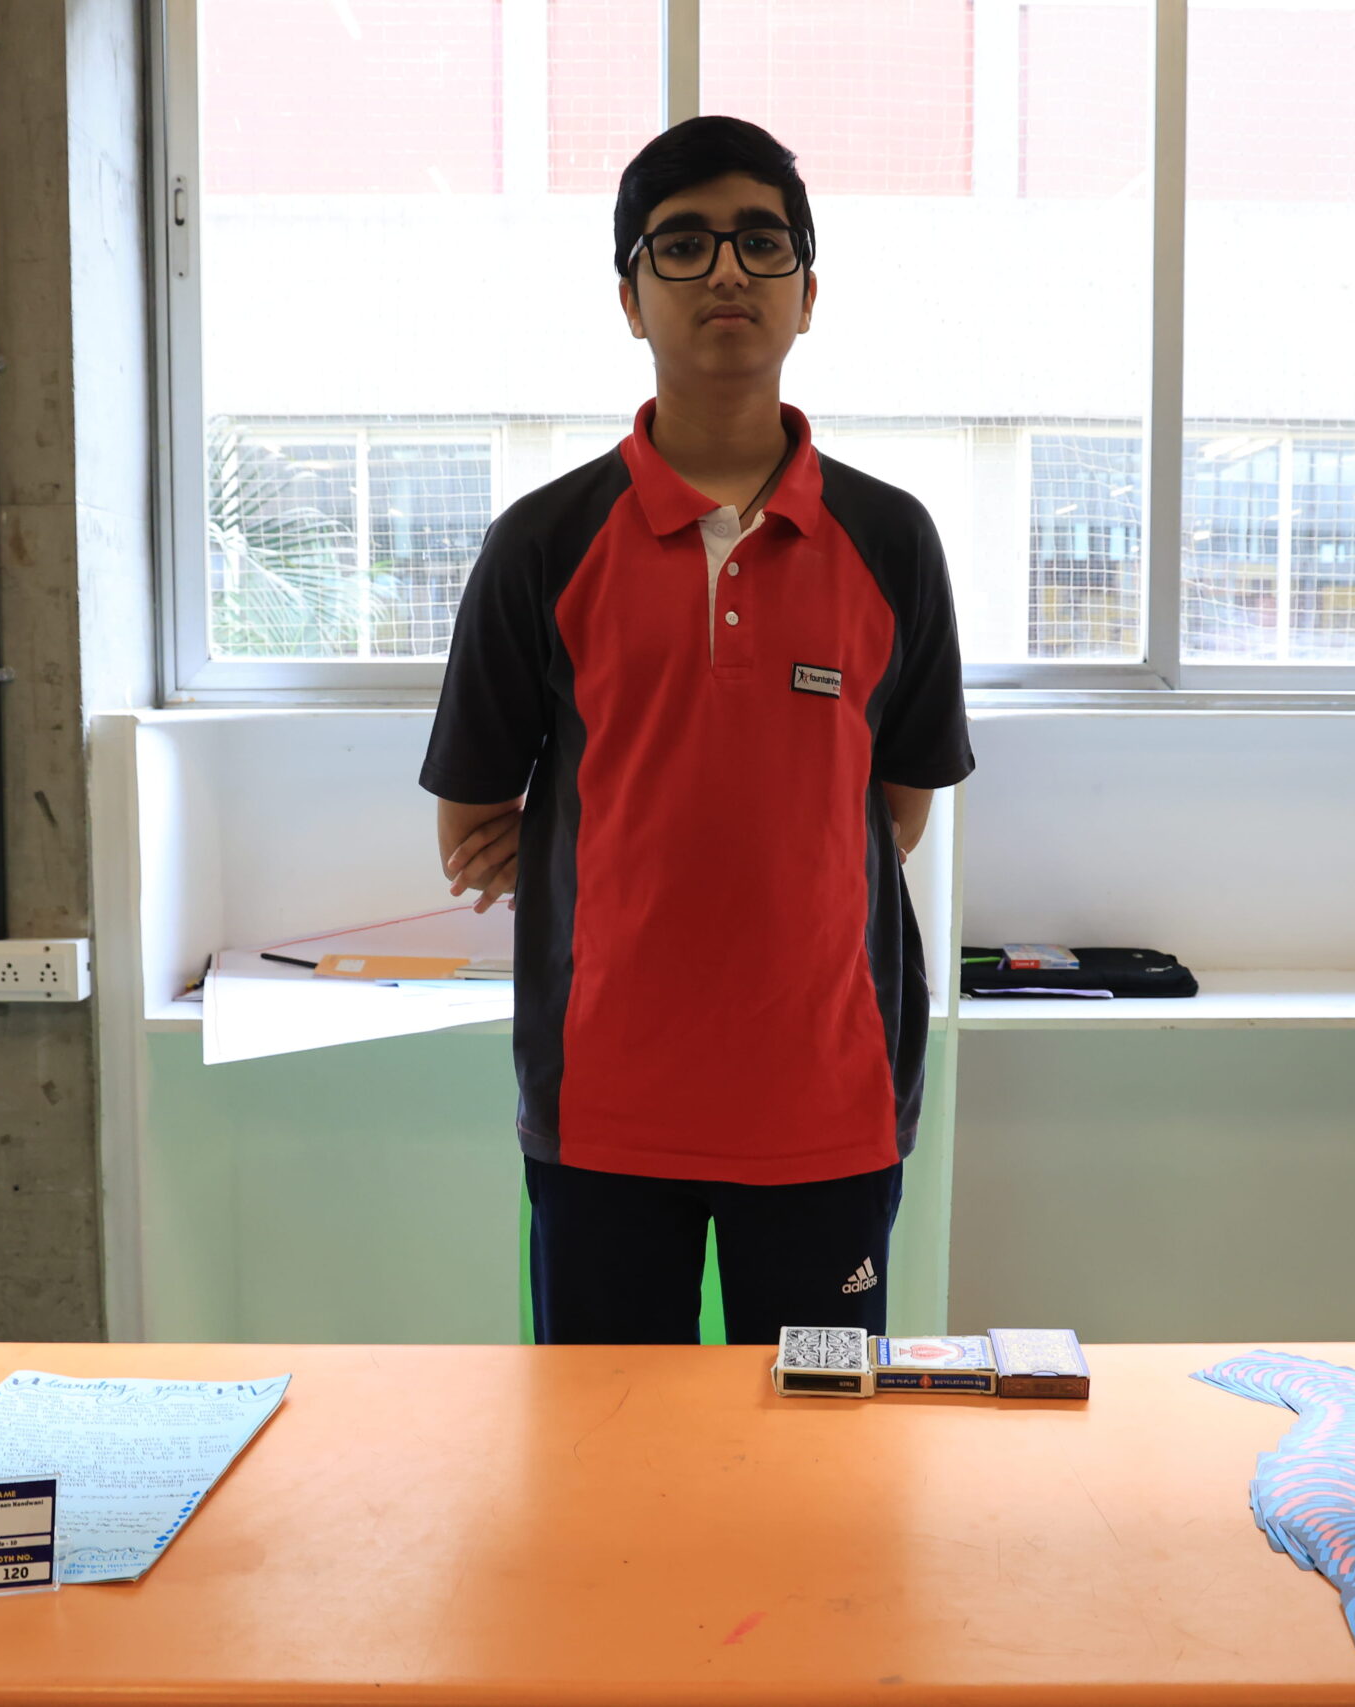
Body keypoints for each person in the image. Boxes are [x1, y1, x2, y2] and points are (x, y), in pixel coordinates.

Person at [419, 115, 973, 1346]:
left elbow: (898, 809)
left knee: (821, 1434)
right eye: (681, 245)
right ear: (630, 299)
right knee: (607, 1435)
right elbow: (471, 824)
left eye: (761, 243)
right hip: (605, 1108)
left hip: (828, 1101)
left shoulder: (890, 540)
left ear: (807, 293)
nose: (726, 270)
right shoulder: (544, 542)